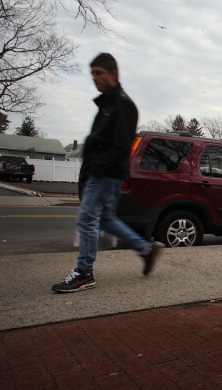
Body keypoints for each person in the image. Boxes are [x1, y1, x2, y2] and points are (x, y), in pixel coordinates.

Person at [52, 53, 163, 293]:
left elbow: (120, 144)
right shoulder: (109, 104)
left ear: (114, 74)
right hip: (103, 173)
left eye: (99, 73)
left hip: (105, 173)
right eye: (92, 74)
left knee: (87, 219)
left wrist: (97, 168)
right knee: (105, 220)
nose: (95, 78)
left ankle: (84, 272)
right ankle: (146, 249)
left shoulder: (121, 105)